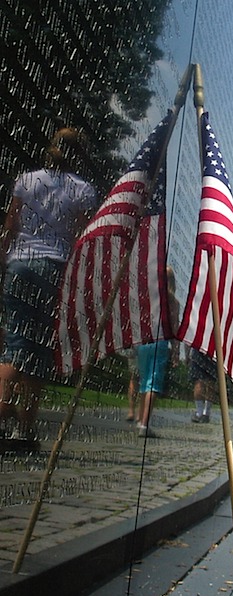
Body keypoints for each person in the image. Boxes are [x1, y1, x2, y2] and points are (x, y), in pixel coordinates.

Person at [0, 128, 97, 443]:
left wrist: (7, 262)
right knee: (37, 352)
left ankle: (19, 424)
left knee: (15, 344)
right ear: (78, 155)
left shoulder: (26, 181)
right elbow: (83, 238)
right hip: (53, 269)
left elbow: (11, 226)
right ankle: (23, 427)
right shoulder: (82, 190)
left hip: (19, 265)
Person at [136, 266, 179, 437]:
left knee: (143, 382)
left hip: (143, 340)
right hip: (160, 342)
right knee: (153, 384)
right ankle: (144, 425)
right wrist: (175, 351)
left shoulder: (149, 296)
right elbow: (175, 327)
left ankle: (141, 421)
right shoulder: (173, 302)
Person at [189, 349, 216, 424]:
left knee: (199, 381)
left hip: (199, 348)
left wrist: (187, 353)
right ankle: (206, 413)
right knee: (211, 382)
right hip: (213, 351)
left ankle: (199, 412)